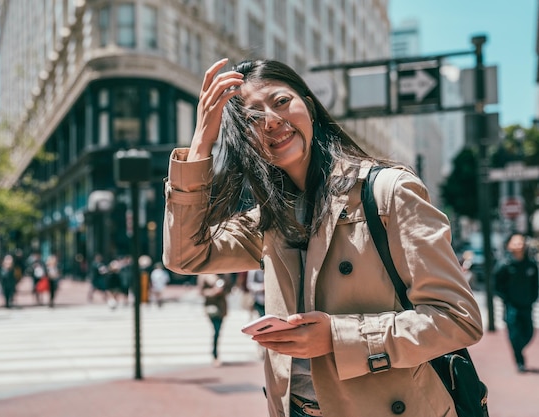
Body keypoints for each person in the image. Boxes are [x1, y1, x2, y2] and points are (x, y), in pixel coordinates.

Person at [162, 58, 483, 417]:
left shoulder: (389, 192)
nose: (271, 121)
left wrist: (336, 338)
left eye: (282, 102)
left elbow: (458, 319)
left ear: (309, 106)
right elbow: (185, 255)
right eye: (253, 118)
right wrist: (202, 140)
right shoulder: (271, 217)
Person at [494, 232, 539, 373]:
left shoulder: (531, 264)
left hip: (527, 305)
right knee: (514, 334)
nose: (519, 245)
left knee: (529, 332)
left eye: (521, 242)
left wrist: (533, 298)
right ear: (509, 246)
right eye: (515, 243)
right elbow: (496, 284)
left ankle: (518, 348)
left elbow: (535, 284)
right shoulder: (504, 265)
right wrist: (506, 298)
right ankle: (519, 361)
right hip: (511, 306)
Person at [198, 273, 230, 367]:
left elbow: (229, 289)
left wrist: (223, 290)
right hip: (211, 307)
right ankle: (215, 355)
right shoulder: (204, 275)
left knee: (218, 331)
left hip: (222, 307)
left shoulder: (225, 274)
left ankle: (215, 353)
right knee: (216, 331)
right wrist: (213, 292)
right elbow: (201, 292)